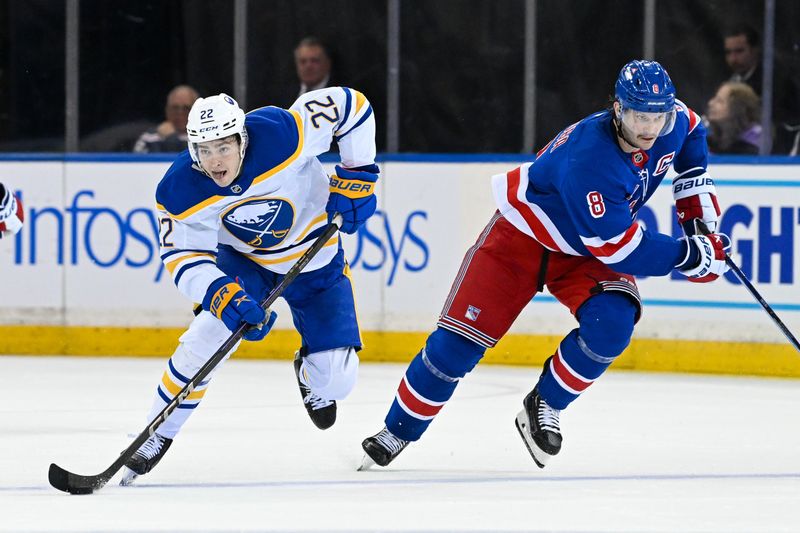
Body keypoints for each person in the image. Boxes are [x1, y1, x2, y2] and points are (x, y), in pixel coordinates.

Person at [359, 60, 731, 470]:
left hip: (582, 251)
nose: (649, 128)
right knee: (456, 347)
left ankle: (544, 403)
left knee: (613, 323)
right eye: (640, 115)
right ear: (618, 109)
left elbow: (694, 130)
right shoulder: (591, 158)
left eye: (657, 116)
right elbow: (619, 248)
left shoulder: (672, 121)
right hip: (520, 242)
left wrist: (694, 198)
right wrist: (689, 255)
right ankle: (396, 430)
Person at [120, 86, 378, 485]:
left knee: (338, 381)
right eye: (204, 150)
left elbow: (351, 105)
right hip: (246, 261)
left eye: (223, 147)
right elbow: (182, 256)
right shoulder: (179, 190)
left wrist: (358, 173)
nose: (215, 160)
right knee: (208, 333)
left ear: (242, 138)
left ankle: (310, 377)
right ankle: (158, 433)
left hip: (317, 256)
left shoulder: (282, 134)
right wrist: (219, 293)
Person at [721, 23, 800, 154]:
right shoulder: (733, 78)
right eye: (729, 52)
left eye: (739, 51)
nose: (733, 59)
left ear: (755, 50)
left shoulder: (773, 80)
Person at [133, 85, 200, 153]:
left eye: (186, 108)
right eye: (175, 108)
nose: (180, 113)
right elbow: (134, 162)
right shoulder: (149, 137)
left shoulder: (203, 137)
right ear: (167, 110)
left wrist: (172, 138)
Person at [705, 81, 763, 154]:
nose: (711, 103)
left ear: (737, 108)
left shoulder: (758, 144)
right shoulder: (708, 142)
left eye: (719, 101)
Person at [284, 37, 334, 105]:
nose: (308, 66)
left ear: (327, 63)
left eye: (314, 61)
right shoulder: (283, 93)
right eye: (303, 61)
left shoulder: (339, 95)